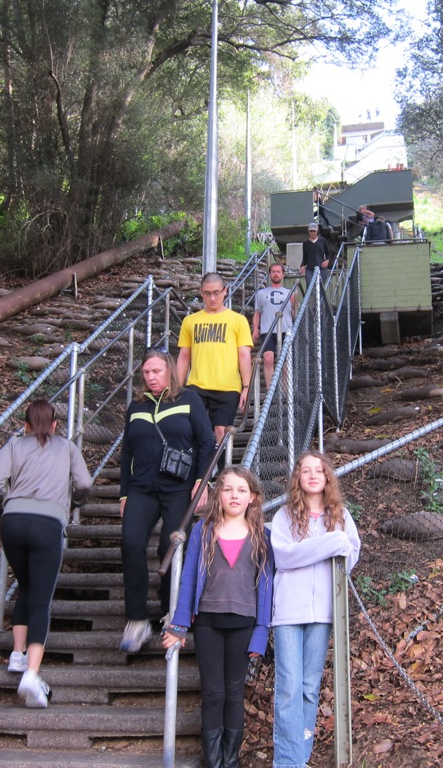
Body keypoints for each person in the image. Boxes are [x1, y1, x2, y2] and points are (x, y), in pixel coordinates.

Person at [162, 466, 273, 768]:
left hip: (244, 625)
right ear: (217, 495)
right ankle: (213, 762)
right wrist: (180, 625)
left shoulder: (263, 535)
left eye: (241, 490)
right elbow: (188, 579)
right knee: (213, 693)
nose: (234, 495)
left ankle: (231, 761)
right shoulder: (203, 529)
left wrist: (261, 632)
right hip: (208, 623)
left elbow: (266, 587)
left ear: (252, 497)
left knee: (235, 694)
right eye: (227, 489)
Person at [0, 399, 92, 708]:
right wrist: (72, 503)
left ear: (26, 424)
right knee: (41, 600)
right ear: (56, 425)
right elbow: (84, 482)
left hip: (13, 522)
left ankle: (17, 655)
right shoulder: (68, 448)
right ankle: (31, 675)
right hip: (47, 524)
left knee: (26, 586)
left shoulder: (14, 445)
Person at [118, 347, 216, 652]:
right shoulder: (136, 405)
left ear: (170, 371)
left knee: (169, 547)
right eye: (146, 372)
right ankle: (136, 620)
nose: (151, 377)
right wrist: (123, 492)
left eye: (156, 371)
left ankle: (168, 609)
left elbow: (206, 440)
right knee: (131, 542)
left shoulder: (188, 399)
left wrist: (201, 481)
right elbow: (127, 452)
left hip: (179, 487)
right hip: (141, 488)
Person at [270, 451, 361, 768]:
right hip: (287, 614)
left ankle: (300, 758)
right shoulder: (283, 517)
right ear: (298, 478)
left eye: (318, 470)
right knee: (288, 690)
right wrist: (330, 542)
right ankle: (286, 762)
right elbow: (285, 558)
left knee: (309, 689)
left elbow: (350, 556)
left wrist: (332, 542)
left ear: (327, 478)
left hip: (323, 612)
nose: (311, 475)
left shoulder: (341, 516)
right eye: (305, 470)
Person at [177, 272, 253, 449]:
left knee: (221, 429)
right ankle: (198, 470)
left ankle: (220, 472)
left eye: (216, 292)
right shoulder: (190, 321)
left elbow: (244, 355)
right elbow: (183, 357)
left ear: (225, 291)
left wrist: (246, 386)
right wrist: (177, 388)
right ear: (201, 292)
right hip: (197, 384)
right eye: (207, 293)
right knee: (192, 427)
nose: (212, 298)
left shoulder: (238, 320)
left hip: (227, 386)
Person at [252, 263, 296, 388]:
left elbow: (295, 313)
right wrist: (256, 329)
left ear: (283, 275)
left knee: (285, 361)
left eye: (278, 271)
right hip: (267, 330)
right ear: (270, 274)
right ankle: (270, 392)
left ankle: (286, 391)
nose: (276, 274)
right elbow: (257, 313)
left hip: (286, 330)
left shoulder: (290, 293)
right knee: (268, 358)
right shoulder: (261, 293)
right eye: (273, 271)